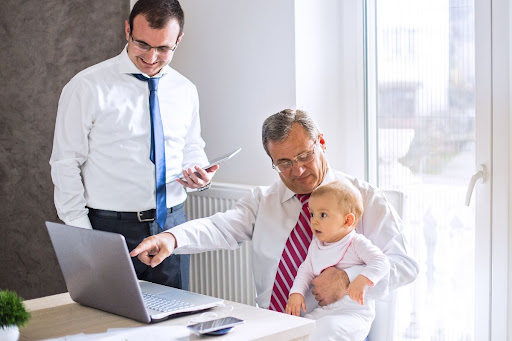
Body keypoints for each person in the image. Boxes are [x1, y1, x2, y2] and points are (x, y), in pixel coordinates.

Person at [130, 109, 419, 338]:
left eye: (304, 155)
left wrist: (348, 280)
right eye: (284, 163)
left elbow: (404, 264)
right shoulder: (264, 200)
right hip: (271, 322)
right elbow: (221, 226)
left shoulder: (364, 197)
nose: (299, 170)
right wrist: (171, 239)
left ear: (321, 142)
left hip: (335, 325)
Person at [49, 0, 217, 290]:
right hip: (109, 229)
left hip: (172, 226)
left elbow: (191, 145)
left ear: (178, 41)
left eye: (164, 49)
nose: (151, 57)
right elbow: (65, 164)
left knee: (174, 326)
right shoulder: (86, 87)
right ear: (128, 30)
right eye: (142, 44)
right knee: (111, 329)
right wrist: (84, 236)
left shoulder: (186, 90)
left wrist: (199, 172)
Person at [286, 179, 390, 340]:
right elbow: (305, 269)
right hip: (326, 311)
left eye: (323, 215)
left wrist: (362, 279)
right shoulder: (317, 244)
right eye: (312, 213)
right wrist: (296, 293)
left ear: (347, 221)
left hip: (354, 315)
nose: (314, 220)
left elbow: (381, 262)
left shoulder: (356, 243)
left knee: (329, 328)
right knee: (301, 329)